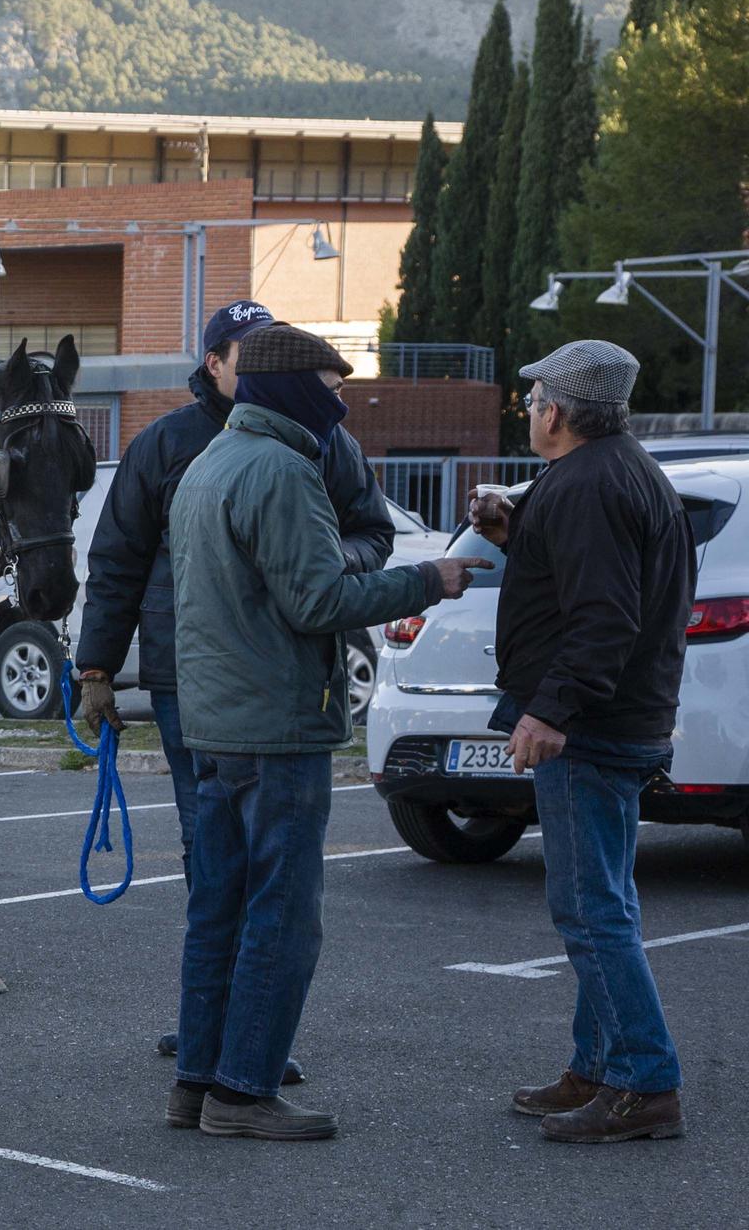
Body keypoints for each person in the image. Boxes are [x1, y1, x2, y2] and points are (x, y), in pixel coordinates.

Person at [166, 324, 487, 1140]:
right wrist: (428, 579)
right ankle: (243, 1094)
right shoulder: (283, 470)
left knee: (219, 912)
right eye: (332, 383)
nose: (342, 399)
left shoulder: (209, 465)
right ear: (294, 388)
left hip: (218, 724)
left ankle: (198, 1084)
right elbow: (317, 604)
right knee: (282, 914)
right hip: (277, 727)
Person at [69, 300, 395, 1078]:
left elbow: (370, 532)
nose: (258, 363)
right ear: (213, 363)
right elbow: (115, 563)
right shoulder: (168, 445)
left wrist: (314, 560)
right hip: (193, 680)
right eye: (244, 351)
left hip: (276, 670)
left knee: (247, 871)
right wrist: (95, 670)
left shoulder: (324, 442)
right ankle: (224, 1041)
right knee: (221, 866)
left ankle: (235, 1039)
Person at [469, 340, 692, 1144]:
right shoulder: (617, 470)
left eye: (533, 401)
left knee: (591, 911)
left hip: (591, 731)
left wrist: (549, 712)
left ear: (556, 412)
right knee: (606, 903)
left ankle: (643, 1084)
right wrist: (514, 524)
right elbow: (589, 580)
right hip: (621, 721)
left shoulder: (592, 486)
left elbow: (603, 618)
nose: (529, 411)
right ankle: (596, 1068)